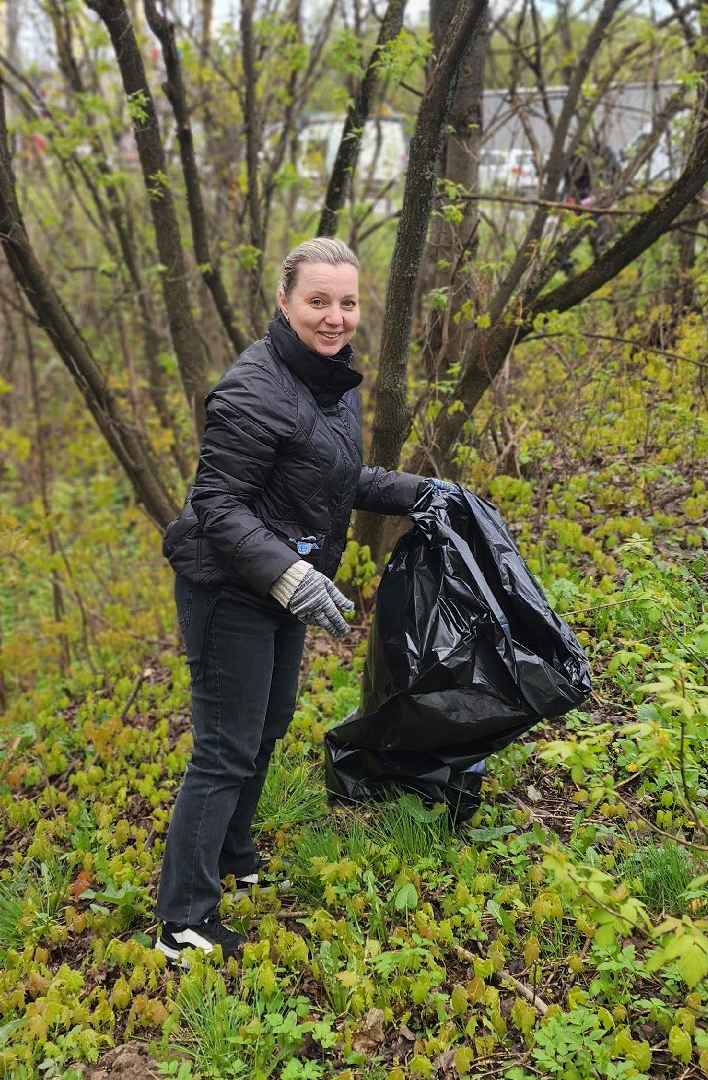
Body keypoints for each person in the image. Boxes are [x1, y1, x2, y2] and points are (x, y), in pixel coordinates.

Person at [154, 237, 456, 965]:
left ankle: (233, 855)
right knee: (225, 746)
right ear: (285, 304)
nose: (335, 317)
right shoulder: (252, 390)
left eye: (347, 302)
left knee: (270, 723)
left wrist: (424, 493)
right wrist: (289, 576)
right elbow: (217, 504)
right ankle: (183, 920)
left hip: (283, 582)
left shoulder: (326, 382)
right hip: (229, 586)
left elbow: (335, 478)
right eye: (318, 301)